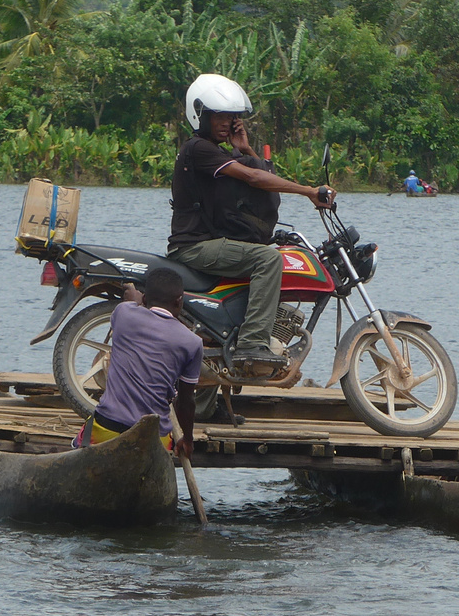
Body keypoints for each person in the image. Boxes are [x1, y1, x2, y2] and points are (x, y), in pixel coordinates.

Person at [168, 73, 336, 370]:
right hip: (194, 246)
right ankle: (251, 343)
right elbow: (254, 177)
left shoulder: (219, 154)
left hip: (213, 242)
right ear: (200, 115)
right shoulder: (198, 149)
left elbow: (255, 177)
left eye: (230, 117)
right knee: (268, 261)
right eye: (218, 115)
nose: (224, 122)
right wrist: (309, 191)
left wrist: (245, 149)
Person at [72, 268, 203, 460]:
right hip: (153, 438)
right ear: (179, 301)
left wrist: (137, 300)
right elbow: (185, 402)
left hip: (107, 427)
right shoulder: (192, 342)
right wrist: (188, 439)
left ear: (146, 299)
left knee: (77, 446)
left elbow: (132, 305)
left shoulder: (124, 313)